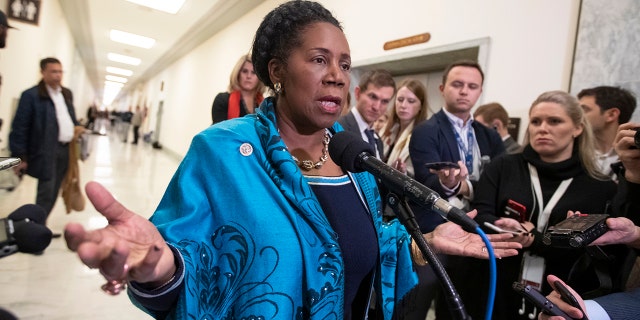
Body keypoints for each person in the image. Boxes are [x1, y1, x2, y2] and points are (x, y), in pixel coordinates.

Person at [63, 1, 521, 319]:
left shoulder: (350, 156)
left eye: (344, 64)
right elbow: (190, 260)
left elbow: (354, 250)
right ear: (277, 71)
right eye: (319, 60)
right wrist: (159, 265)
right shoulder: (222, 150)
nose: (337, 77)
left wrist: (424, 242)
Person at [449, 90, 620, 320]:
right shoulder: (504, 166)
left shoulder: (600, 186)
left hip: (558, 290)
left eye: (554, 121)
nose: (543, 128)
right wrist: (502, 227)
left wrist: (535, 239)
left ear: (577, 128)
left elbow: (594, 248)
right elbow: (479, 214)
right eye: (536, 121)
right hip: (494, 282)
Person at [409, 60, 505, 231]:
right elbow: (427, 184)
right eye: (457, 84)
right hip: (439, 225)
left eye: (472, 86)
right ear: (442, 89)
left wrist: (463, 187)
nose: (464, 91)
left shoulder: (491, 136)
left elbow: (502, 183)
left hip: (482, 226)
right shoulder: (425, 132)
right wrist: (448, 184)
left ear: (480, 91)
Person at [9, 57, 80, 220]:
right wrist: (20, 156)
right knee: (46, 192)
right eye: (53, 71)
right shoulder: (31, 95)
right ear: (43, 72)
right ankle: (34, 230)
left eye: (60, 71)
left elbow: (70, 119)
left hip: (65, 150)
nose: (57, 75)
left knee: (55, 190)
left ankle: (40, 224)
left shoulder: (66, 94)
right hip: (46, 151)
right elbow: (20, 127)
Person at [578, 86, 637, 180]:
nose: (577, 116)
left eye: (584, 110)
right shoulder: (571, 151)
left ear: (611, 115)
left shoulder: (634, 157)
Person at [338, 69, 395, 160]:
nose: (376, 107)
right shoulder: (339, 128)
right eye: (373, 97)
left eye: (384, 101)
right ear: (357, 93)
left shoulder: (378, 141)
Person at [380, 79, 429, 177]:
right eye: (400, 99)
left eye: (411, 101)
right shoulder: (387, 129)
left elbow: (421, 175)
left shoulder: (424, 136)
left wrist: (404, 173)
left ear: (421, 106)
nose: (403, 105)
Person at [210, 53, 265, 124]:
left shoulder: (265, 105)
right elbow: (218, 132)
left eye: (253, 72)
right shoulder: (222, 100)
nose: (248, 76)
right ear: (238, 74)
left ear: (259, 78)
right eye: (245, 71)